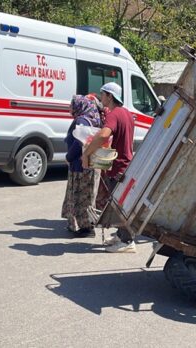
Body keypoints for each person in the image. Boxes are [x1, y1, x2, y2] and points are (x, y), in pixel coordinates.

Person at [82, 82, 136, 253]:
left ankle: (127, 242)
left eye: (103, 95)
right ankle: (121, 235)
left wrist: (87, 153)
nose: (101, 98)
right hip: (125, 164)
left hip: (119, 167)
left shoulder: (114, 114)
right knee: (118, 205)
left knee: (119, 207)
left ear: (110, 96)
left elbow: (104, 134)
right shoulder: (126, 113)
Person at [61, 95, 102, 237]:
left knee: (82, 197)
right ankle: (83, 226)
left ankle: (86, 228)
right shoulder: (93, 118)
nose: (69, 108)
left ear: (79, 106)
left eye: (71, 105)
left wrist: (68, 157)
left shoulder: (81, 120)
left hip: (81, 165)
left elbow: (79, 142)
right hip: (89, 164)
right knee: (88, 196)